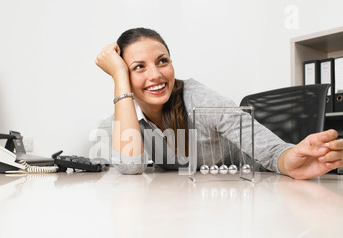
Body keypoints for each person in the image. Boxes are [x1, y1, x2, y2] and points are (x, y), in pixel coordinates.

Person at [95, 27, 343, 179]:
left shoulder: (199, 100)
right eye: (138, 67)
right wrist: (119, 77)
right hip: (186, 205)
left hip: (250, 193)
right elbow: (130, 167)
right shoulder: (129, 115)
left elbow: (273, 151)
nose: (156, 75)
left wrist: (289, 161)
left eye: (162, 61)